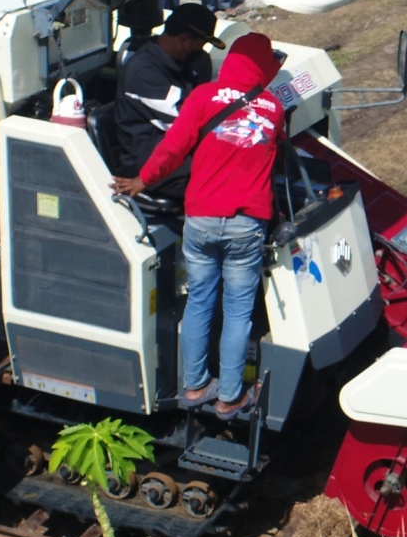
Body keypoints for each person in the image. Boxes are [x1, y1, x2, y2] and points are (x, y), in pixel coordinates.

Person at [112, 32, 283, 416]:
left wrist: (143, 180)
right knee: (238, 312)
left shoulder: (203, 96)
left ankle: (194, 387)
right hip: (246, 223)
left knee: (200, 302)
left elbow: (173, 147)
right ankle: (230, 396)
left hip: (202, 219)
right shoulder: (273, 108)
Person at [109, 2, 221, 183]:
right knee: (224, 173)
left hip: (171, 150)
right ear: (185, 40)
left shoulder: (186, 62)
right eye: (199, 47)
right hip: (147, 160)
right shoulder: (144, 71)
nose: (199, 53)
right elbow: (187, 122)